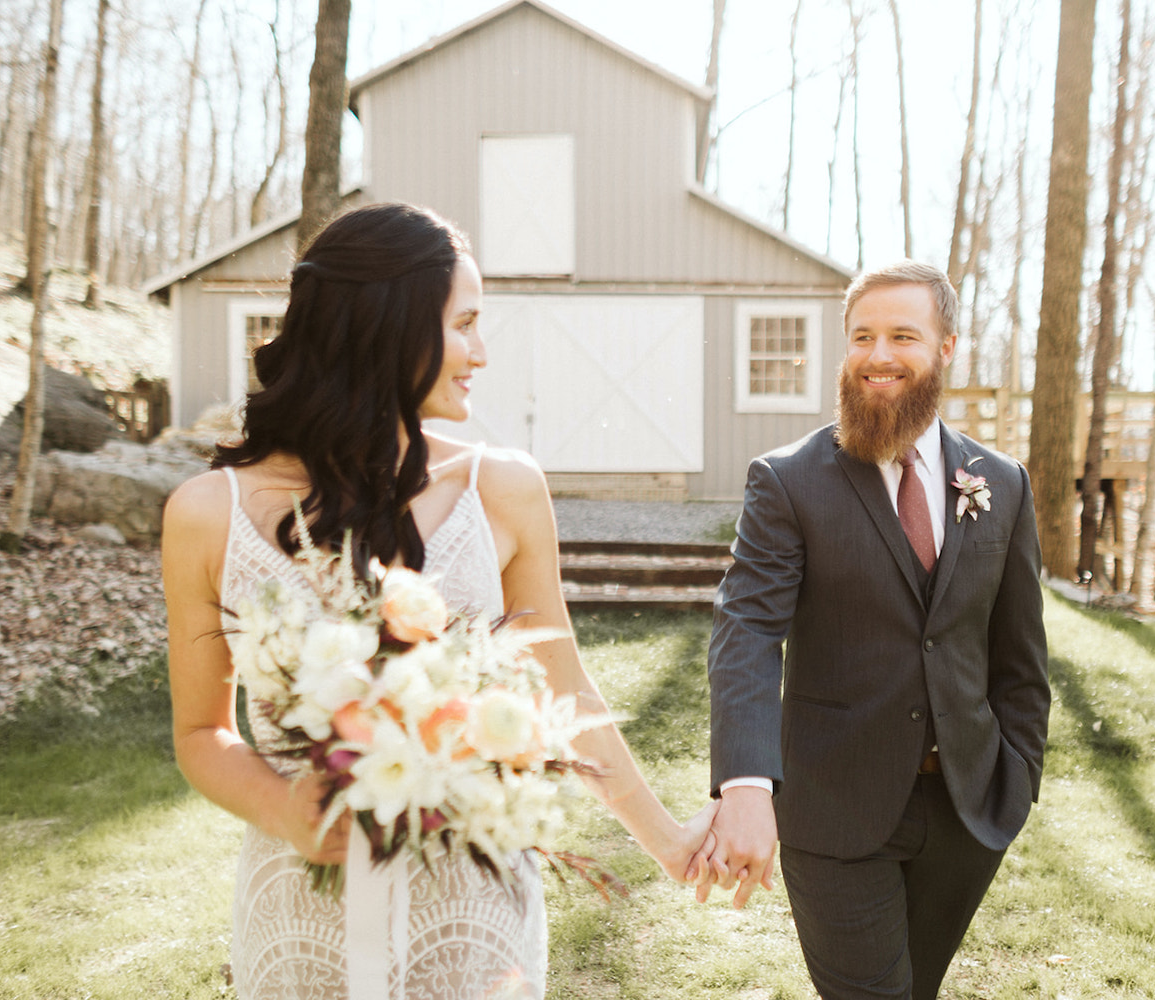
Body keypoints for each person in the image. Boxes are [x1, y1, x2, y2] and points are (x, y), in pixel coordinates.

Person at [163, 202, 715, 1000]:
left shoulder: (505, 489)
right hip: (299, 917)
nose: (480, 353)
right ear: (389, 327)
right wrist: (289, 809)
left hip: (473, 915)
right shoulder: (206, 514)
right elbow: (198, 732)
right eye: (465, 324)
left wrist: (667, 842)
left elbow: (565, 687)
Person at [696, 261, 1050, 1000]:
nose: (877, 355)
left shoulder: (1002, 482)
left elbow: (1019, 651)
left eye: (901, 335)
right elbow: (747, 630)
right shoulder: (788, 481)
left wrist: (1018, 772)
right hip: (835, 812)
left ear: (946, 347)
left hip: (967, 810)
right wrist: (746, 785)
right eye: (862, 336)